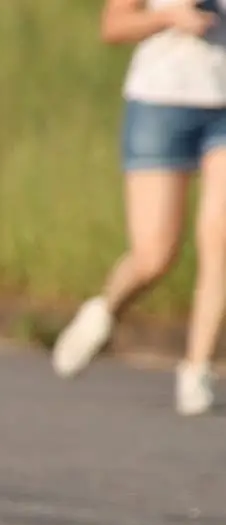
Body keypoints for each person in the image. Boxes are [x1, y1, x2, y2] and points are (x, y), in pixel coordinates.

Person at [52, 0, 226, 415]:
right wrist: (170, 17)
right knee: (154, 257)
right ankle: (104, 310)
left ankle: (197, 367)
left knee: (221, 237)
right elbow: (114, 26)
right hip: (160, 105)